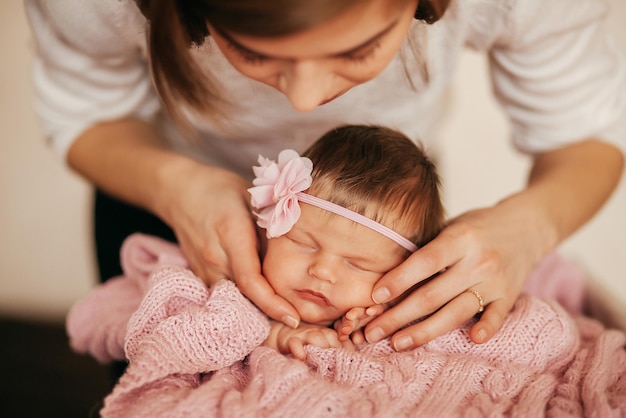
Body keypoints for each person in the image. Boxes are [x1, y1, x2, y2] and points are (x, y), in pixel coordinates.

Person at [24, 0, 626, 352]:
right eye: (254, 53)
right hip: (163, 191)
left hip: (371, 212)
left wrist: (527, 227)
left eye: (357, 50)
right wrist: (174, 185)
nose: (305, 104)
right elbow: (85, 113)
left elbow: (586, 134)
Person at [252, 125, 444, 359]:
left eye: (358, 265)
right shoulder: (228, 272)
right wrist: (274, 334)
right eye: (302, 242)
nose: (322, 271)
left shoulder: (397, 323)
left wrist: (381, 318)